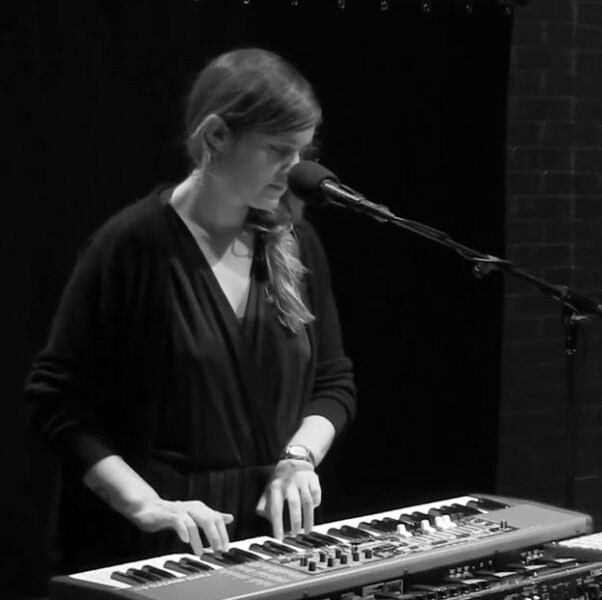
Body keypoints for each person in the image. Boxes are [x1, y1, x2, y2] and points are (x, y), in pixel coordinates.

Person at [24, 48, 356, 572]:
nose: (295, 172)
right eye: (278, 151)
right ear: (217, 137)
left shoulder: (298, 242)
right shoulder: (130, 247)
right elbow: (57, 403)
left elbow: (334, 380)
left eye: (302, 152)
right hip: (155, 547)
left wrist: (299, 457)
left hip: (271, 542)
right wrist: (143, 503)